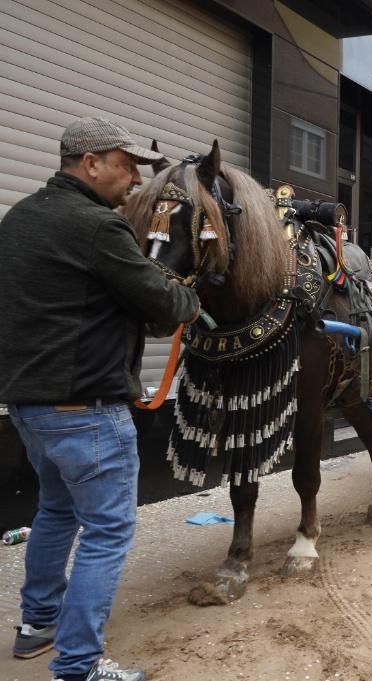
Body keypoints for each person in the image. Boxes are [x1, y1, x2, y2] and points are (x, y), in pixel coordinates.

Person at [0, 117, 201, 681]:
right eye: (126, 163)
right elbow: (165, 301)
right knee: (108, 530)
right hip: (85, 409)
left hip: (29, 408)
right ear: (91, 163)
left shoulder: (20, 218)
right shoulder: (95, 227)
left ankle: (37, 624)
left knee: (55, 511)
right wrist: (185, 293)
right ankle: (79, 667)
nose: (136, 178)